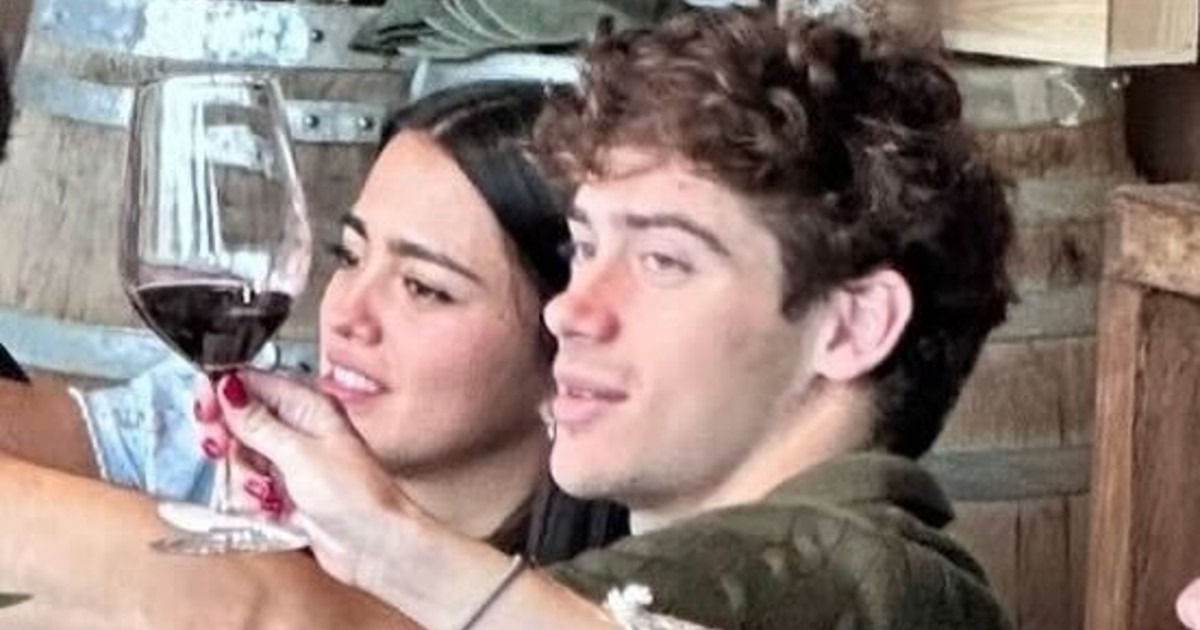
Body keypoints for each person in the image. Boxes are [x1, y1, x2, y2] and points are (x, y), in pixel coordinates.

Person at [207, 7, 1016, 629]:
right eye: (586, 247)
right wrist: (363, 534)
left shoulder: (848, 574)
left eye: (663, 261)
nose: (570, 308)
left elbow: (249, 615)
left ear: (852, 327)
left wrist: (379, 543)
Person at [0, 77, 624, 628]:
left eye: (424, 288)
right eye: (349, 257)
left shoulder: (614, 596)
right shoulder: (240, 455)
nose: (348, 313)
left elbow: (248, 607)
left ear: (569, 358)